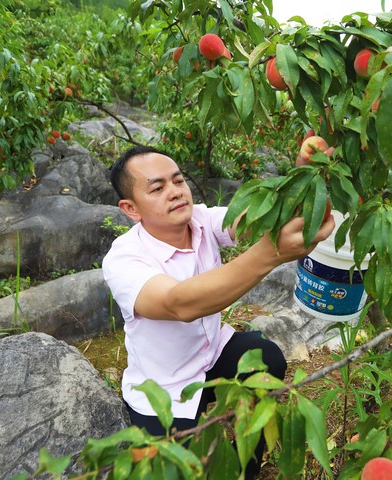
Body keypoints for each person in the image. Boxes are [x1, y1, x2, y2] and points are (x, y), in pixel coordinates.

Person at [102, 145, 334, 477]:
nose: (176, 192)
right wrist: (270, 253)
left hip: (212, 352)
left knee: (266, 357)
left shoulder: (201, 219)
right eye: (158, 187)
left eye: (178, 181)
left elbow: (262, 217)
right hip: (166, 386)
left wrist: (306, 176)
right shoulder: (124, 259)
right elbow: (179, 304)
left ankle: (246, 463)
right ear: (131, 208)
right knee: (172, 469)